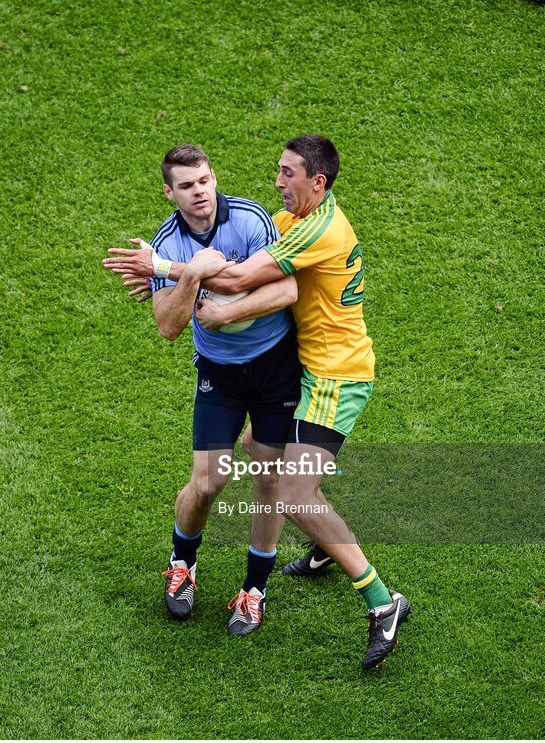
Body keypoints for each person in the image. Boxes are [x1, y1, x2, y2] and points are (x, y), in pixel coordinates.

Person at [104, 135, 411, 670]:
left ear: (317, 181)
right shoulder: (288, 221)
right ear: (169, 193)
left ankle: (382, 602)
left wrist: (167, 269)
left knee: (290, 490)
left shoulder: (314, 227)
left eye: (287, 173)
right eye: (278, 171)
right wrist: (175, 273)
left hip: (331, 375)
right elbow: (175, 322)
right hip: (288, 369)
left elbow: (252, 281)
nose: (277, 182)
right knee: (247, 458)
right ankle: (315, 549)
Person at [108, 143, 301, 635]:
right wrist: (191, 272)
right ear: (169, 192)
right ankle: (182, 562)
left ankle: (254, 589)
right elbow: (168, 326)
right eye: (187, 186)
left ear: (214, 178)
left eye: (205, 181)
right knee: (209, 482)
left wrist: (201, 290)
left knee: (266, 478)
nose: (200, 193)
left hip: (277, 365)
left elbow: (284, 289)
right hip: (221, 374)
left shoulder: (252, 220)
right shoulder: (167, 243)